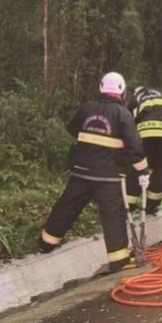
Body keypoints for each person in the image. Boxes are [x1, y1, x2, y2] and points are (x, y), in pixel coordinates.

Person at [39, 72, 148, 272]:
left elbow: (73, 130)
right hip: (108, 176)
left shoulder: (86, 108)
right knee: (112, 215)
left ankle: (47, 242)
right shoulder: (123, 114)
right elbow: (135, 149)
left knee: (67, 206)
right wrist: (143, 171)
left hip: (81, 171)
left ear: (101, 87)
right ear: (122, 91)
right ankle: (119, 260)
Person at [127, 85, 162, 217]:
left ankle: (128, 206)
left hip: (144, 134)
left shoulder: (138, 96)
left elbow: (128, 116)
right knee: (160, 169)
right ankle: (152, 206)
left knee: (138, 168)